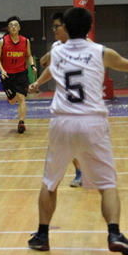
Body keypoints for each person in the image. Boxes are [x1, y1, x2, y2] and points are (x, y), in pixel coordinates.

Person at [27, 7, 128, 255]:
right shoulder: (101, 51)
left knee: (50, 182)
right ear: (89, 28)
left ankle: (42, 235)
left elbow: (44, 61)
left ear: (65, 28)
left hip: (62, 122)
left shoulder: (56, 52)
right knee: (107, 184)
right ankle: (114, 233)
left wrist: (52, 54)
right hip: (92, 122)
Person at [39, 12, 83, 187]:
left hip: (83, 101)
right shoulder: (56, 47)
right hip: (65, 101)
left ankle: (91, 170)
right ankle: (80, 171)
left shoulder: (82, 44)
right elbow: (49, 67)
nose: (54, 30)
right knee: (69, 139)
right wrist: (38, 82)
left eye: (56, 26)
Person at [0, 16, 37, 133]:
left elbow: (29, 55)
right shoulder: (2, 42)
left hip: (21, 73)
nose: (13, 27)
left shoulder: (25, 41)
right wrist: (2, 70)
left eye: (15, 25)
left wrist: (32, 65)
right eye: (11, 25)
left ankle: (21, 122)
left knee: (21, 97)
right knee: (12, 101)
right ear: (8, 28)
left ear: (19, 28)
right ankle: (10, 97)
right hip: (7, 75)